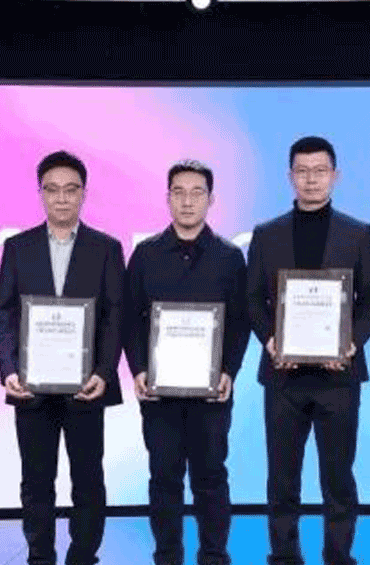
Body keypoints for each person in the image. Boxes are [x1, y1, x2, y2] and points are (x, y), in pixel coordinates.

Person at [246, 136, 370, 565]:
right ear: (290, 177)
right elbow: (253, 299)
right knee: (281, 480)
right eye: (302, 171)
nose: (311, 179)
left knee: (338, 478)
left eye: (319, 171)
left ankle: (338, 556)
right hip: (283, 375)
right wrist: (270, 339)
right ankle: (284, 556)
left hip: (338, 376)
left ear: (334, 175)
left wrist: (352, 341)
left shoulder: (357, 233)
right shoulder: (266, 235)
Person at [0, 150, 126, 565]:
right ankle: (40, 556)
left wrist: (104, 372)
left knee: (88, 479)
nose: (62, 198)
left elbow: (115, 316)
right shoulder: (18, 247)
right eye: (52, 190)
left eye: (71, 190)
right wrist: (8, 368)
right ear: (41, 193)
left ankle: (83, 555)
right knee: (36, 481)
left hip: (87, 386)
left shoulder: (106, 248)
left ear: (83, 193)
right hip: (31, 387)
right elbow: (4, 314)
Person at [123, 160, 251, 565]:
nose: (187, 201)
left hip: (211, 393)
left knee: (211, 478)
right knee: (164, 479)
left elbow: (241, 321)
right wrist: (139, 369)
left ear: (211, 200)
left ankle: (214, 556)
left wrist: (229, 371)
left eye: (197, 193)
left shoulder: (230, 257)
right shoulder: (145, 255)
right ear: (167, 198)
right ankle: (167, 557)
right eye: (178, 192)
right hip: (159, 394)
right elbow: (129, 319)